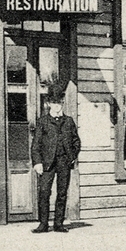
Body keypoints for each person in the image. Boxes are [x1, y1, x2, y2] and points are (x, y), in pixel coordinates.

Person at [30, 93, 81, 233]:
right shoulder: (43, 122)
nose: (57, 106)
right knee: (44, 192)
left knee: (62, 192)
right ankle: (43, 224)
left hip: (64, 161)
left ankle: (59, 223)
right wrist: (37, 162)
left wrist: (72, 156)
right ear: (49, 104)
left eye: (59, 103)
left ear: (62, 103)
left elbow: (76, 141)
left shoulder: (69, 121)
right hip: (47, 163)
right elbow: (35, 145)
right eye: (54, 103)